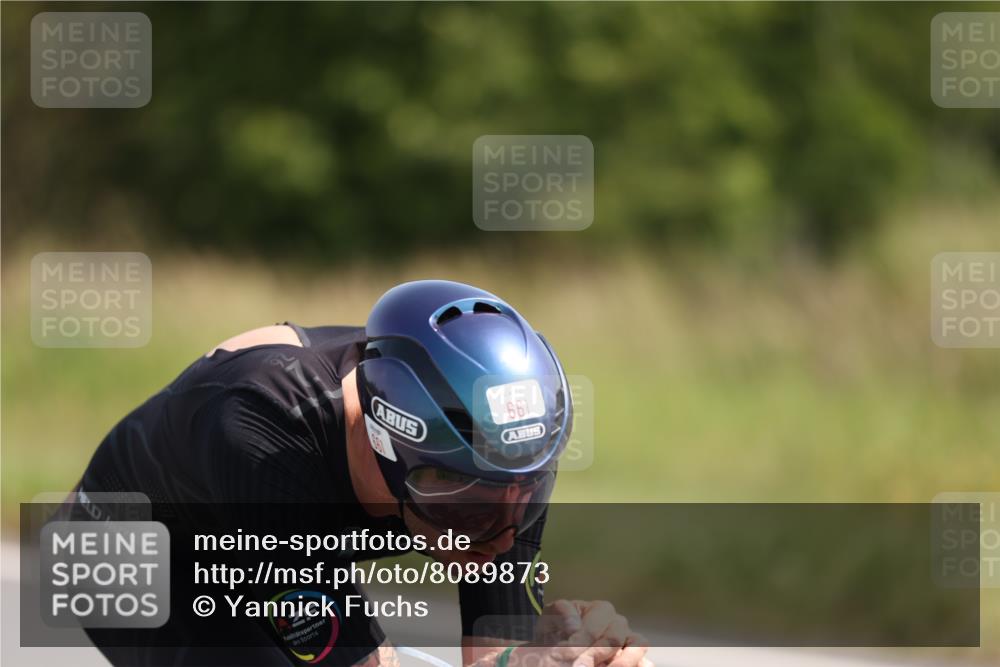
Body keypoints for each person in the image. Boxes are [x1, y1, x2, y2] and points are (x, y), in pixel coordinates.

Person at [70, 280, 651, 667]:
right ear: (382, 440)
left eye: (526, 491)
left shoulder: (497, 464)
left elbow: (492, 648)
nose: (495, 536)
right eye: (464, 507)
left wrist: (532, 658)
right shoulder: (264, 427)